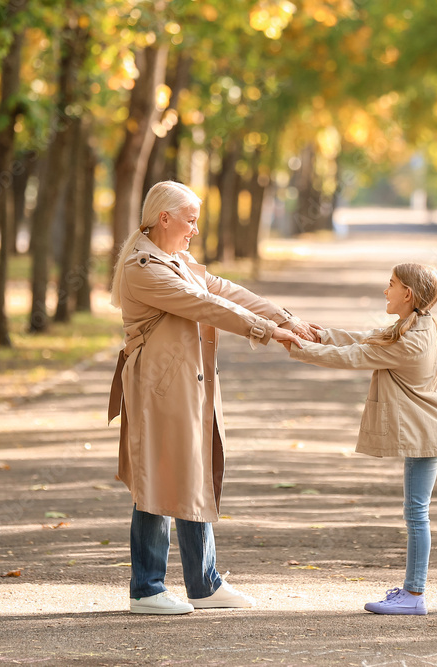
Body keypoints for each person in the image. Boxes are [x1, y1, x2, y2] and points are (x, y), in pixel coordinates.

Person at [108, 180, 315, 615]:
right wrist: (264, 330)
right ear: (164, 218)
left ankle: (203, 582)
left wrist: (284, 318)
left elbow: (224, 291)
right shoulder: (142, 266)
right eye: (190, 220)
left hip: (188, 383)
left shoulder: (176, 258)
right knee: (158, 478)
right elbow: (202, 305)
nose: (194, 231)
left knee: (192, 472)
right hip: (159, 387)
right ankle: (145, 588)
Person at [281, 262, 437, 615]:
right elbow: (366, 339)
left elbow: (356, 356)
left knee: (416, 511)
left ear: (408, 294)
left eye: (391, 285)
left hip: (425, 431)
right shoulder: (417, 324)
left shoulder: (410, 342)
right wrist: (320, 335)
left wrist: (297, 347)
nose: (385, 291)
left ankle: (414, 594)